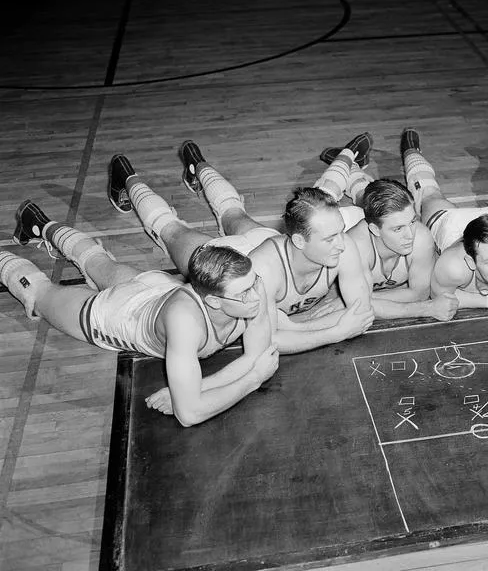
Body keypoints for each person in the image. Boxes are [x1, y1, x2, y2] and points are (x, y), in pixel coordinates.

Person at [0, 200, 278, 427]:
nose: (256, 295)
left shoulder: (249, 285)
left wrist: (200, 389)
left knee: (98, 262)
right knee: (39, 294)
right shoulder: (185, 321)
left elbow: (258, 357)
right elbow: (190, 414)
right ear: (215, 302)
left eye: (254, 284)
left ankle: (39, 224)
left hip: (156, 288)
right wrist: (251, 381)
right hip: (118, 316)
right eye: (244, 293)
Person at [169, 137, 376, 352]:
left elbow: (361, 313)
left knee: (233, 212)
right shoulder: (261, 273)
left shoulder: (340, 245)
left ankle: (199, 165)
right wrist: (336, 331)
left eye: (339, 233)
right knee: (171, 230)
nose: (342, 244)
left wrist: (294, 326)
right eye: (330, 239)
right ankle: (193, 166)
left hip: (270, 242)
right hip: (230, 264)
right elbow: (266, 342)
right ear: (299, 240)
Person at [311, 142, 458, 320]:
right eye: (398, 229)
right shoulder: (354, 246)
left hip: (376, 225)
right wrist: (426, 309)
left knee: (372, 197)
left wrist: (361, 298)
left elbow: (418, 294)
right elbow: (361, 307)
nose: (409, 235)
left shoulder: (421, 236)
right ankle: (346, 156)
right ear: (375, 229)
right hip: (348, 221)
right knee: (319, 204)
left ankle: (362, 163)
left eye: (412, 221)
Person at [401, 127, 488, 310]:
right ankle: (410, 150)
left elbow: (449, 294)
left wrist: (478, 295)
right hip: (451, 226)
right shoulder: (453, 266)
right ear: (470, 262)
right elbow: (439, 297)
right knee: (427, 194)